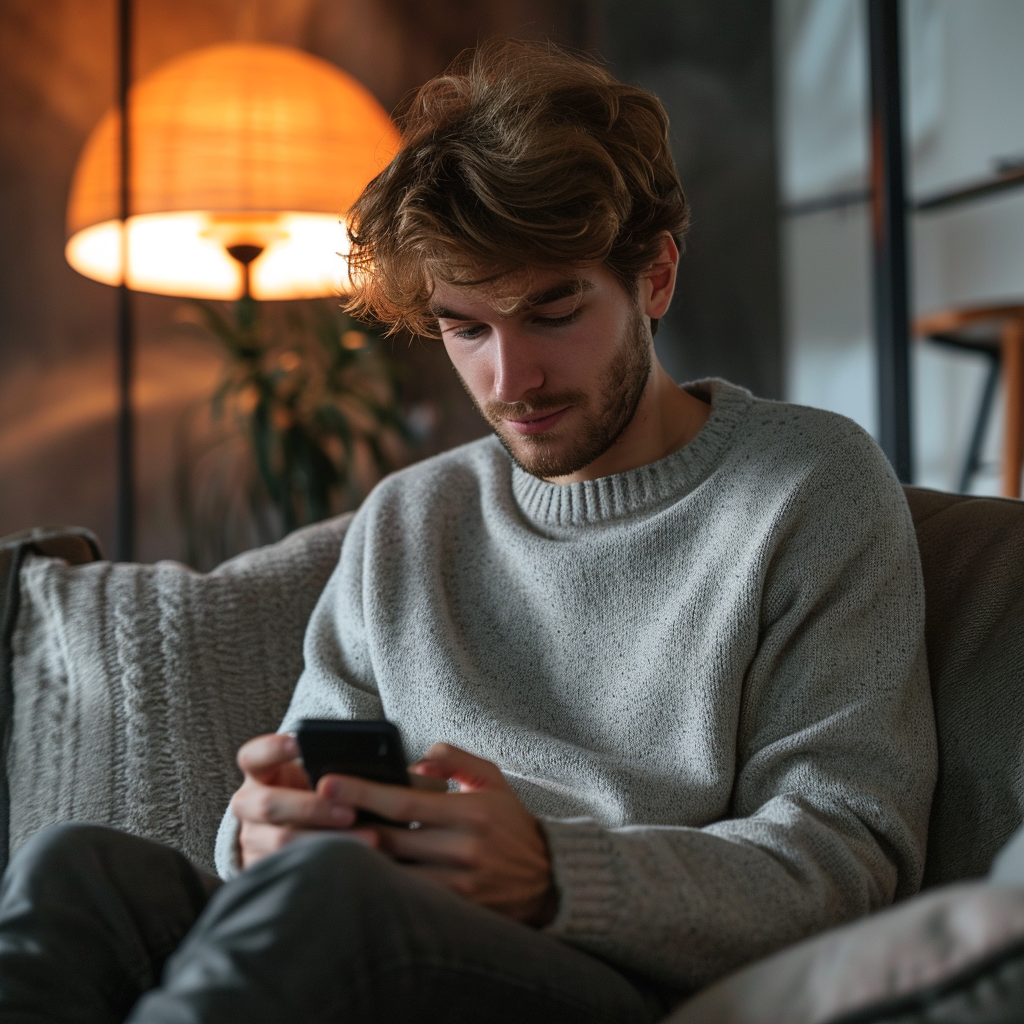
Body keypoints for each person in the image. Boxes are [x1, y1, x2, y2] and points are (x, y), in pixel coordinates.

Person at [0, 38, 936, 1024]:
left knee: (335, 904)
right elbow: (287, 809)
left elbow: (845, 856)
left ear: (653, 278)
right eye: (467, 328)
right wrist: (260, 832)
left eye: (552, 309)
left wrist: (550, 873)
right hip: (369, 925)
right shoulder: (412, 517)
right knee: (79, 871)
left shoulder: (808, 487)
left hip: (621, 974)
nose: (509, 379)